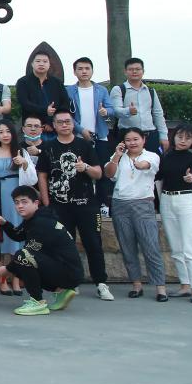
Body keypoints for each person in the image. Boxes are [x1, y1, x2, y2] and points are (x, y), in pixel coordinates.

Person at [36, 109, 112, 301]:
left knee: (93, 243)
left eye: (67, 121)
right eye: (60, 122)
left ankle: (101, 283)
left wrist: (85, 167)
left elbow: (99, 173)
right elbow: (42, 176)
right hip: (60, 206)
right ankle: (71, 282)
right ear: (54, 125)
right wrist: (47, 202)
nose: (64, 125)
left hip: (87, 205)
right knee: (64, 246)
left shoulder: (84, 145)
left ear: (73, 124)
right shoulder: (48, 147)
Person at [0, 186, 83, 316]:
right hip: (67, 271)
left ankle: (37, 302)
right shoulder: (35, 218)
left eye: (24, 202)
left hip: (68, 273)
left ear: (36, 203)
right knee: (22, 260)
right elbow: (18, 235)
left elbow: (29, 251)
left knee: (22, 257)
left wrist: (7, 269)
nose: (20, 206)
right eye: (17, 202)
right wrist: (4, 223)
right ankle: (62, 291)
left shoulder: (41, 222)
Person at [104, 128, 166, 301]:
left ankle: (160, 287)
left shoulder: (151, 156)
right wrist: (116, 156)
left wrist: (139, 164)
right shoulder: (119, 156)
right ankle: (136, 285)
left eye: (135, 139)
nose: (132, 143)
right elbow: (109, 173)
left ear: (143, 140)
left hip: (143, 204)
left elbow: (147, 165)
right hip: (120, 204)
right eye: (128, 140)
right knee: (127, 247)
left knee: (150, 246)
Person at [0, 120, 38, 295]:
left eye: (7, 131)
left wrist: (24, 163)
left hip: (15, 196)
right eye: (0, 132)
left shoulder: (21, 151)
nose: (5, 135)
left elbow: (32, 179)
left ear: (13, 133)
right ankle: (1, 278)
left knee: (15, 234)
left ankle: (15, 277)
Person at [158, 125, 192, 303]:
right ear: (174, 137)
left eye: (188, 137)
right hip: (166, 201)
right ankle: (185, 285)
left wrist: (191, 176)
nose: (183, 140)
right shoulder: (165, 157)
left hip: (186, 201)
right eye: (180, 136)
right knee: (176, 248)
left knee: (190, 248)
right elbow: (157, 175)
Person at [66, 56, 118, 208]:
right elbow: (67, 115)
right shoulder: (69, 91)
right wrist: (81, 130)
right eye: (80, 69)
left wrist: (105, 112)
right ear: (74, 72)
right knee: (79, 171)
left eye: (87, 68)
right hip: (77, 137)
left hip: (100, 136)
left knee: (102, 171)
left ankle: (103, 205)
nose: (84, 71)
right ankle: (81, 202)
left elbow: (112, 110)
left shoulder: (101, 90)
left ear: (92, 71)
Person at [110, 57, 170, 154]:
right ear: (125, 72)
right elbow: (115, 111)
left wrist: (164, 136)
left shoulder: (150, 91)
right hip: (128, 137)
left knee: (154, 162)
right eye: (131, 69)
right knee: (127, 162)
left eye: (138, 69)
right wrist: (128, 111)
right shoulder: (118, 89)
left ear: (143, 71)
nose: (134, 71)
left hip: (150, 136)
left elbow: (158, 114)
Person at [15, 51, 70, 135]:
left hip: (54, 128)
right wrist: (45, 110)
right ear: (32, 64)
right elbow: (25, 103)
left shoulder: (57, 83)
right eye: (38, 61)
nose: (41, 64)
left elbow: (65, 104)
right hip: (32, 128)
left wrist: (51, 122)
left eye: (45, 61)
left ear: (49, 64)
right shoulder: (23, 82)